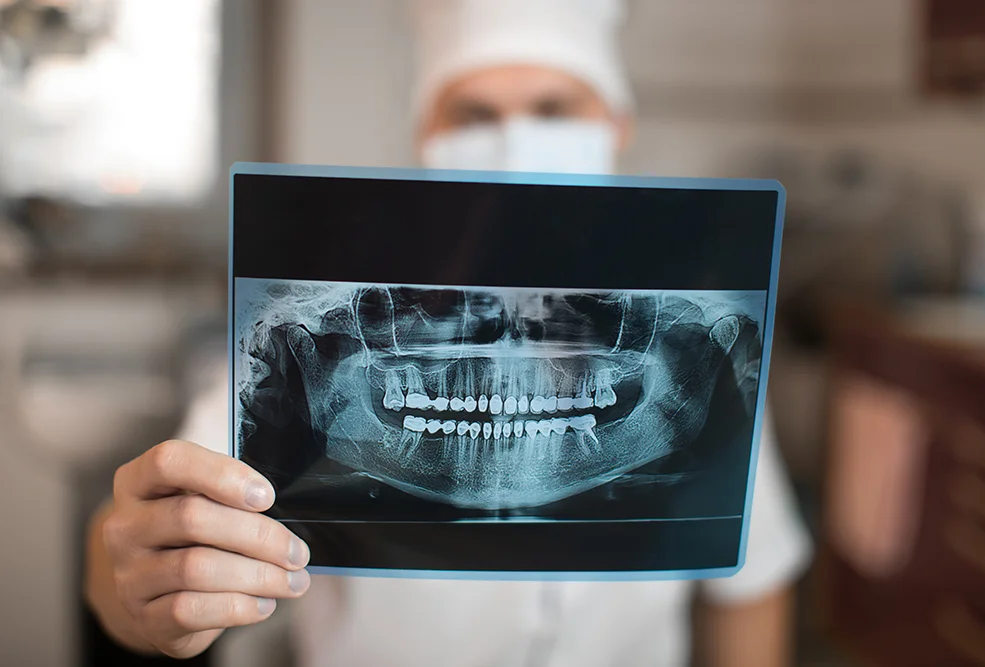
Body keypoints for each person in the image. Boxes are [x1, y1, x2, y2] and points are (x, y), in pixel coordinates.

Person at [84, 1, 813, 665]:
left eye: (554, 108)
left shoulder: (704, 349)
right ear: (425, 132)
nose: (517, 137)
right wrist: (141, 585)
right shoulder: (319, 339)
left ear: (615, 124)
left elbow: (751, 589)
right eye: (473, 114)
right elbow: (143, 539)